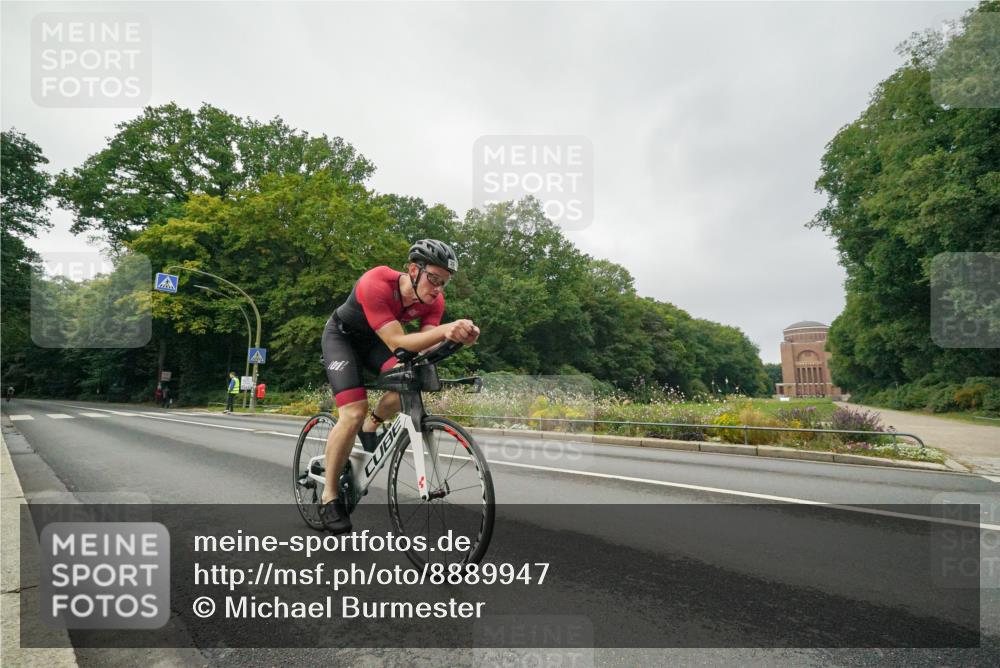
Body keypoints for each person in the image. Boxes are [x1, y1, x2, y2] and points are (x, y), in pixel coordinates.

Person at [319, 240, 479, 534]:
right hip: (343, 339)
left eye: (444, 283)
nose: (438, 289)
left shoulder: (434, 301)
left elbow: (424, 345)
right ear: (413, 270)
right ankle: (329, 496)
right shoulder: (377, 282)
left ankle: (373, 424)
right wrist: (447, 329)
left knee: (409, 378)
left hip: (376, 345)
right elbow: (397, 342)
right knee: (353, 412)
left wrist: (456, 337)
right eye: (433, 279)